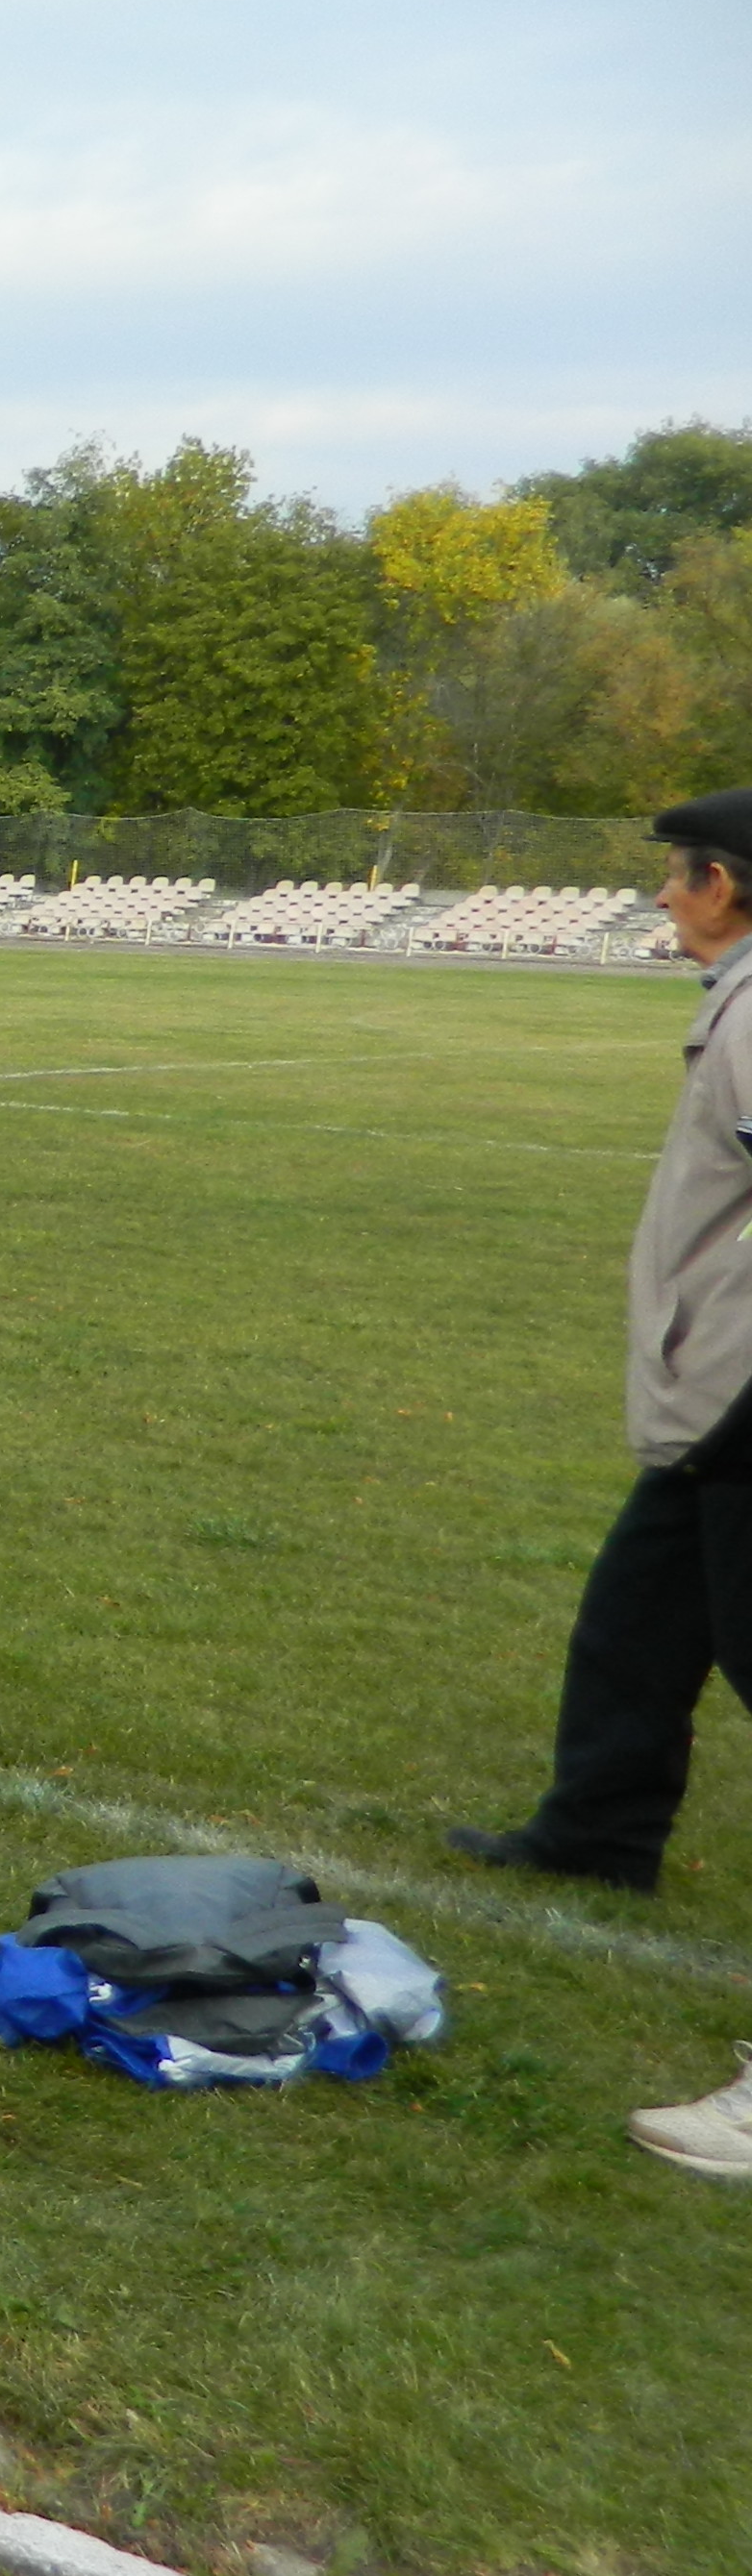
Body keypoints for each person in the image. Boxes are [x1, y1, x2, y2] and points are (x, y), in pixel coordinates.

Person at [444, 793, 752, 2177]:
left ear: (725, 883)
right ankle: (596, 1833)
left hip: (751, 1399)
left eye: (679, 879)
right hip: (719, 1405)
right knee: (638, 1617)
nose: (665, 899)